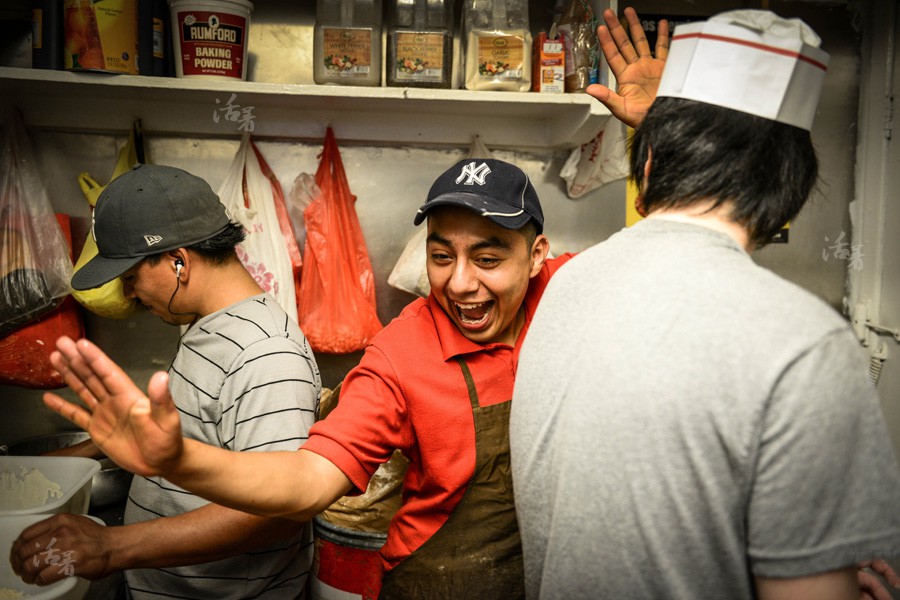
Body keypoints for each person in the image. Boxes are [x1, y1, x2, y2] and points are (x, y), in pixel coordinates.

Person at [26, 157, 574, 598]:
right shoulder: (400, 355)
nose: (459, 283)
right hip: (439, 580)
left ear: (536, 258)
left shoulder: (566, 289)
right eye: (440, 256)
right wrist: (177, 461)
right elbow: (308, 480)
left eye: (487, 259)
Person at [510, 8, 900, 600]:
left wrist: (663, 139)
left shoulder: (569, 284)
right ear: (790, 192)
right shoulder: (803, 342)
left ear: (645, 164)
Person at [10, 164, 321, 600]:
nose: (129, 294)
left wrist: (112, 546)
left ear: (179, 262)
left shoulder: (267, 354)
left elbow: (279, 513)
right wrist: (70, 459)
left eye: (130, 278)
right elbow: (189, 430)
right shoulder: (209, 324)